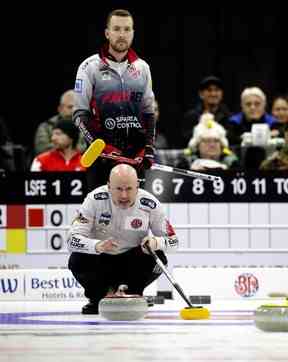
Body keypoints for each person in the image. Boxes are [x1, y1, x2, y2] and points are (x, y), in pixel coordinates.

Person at [67, 163, 178, 314]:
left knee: (159, 257)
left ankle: (133, 293)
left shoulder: (150, 204)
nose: (124, 195)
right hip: (101, 261)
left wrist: (155, 242)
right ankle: (99, 297)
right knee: (77, 259)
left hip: (132, 263)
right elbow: (72, 241)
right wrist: (97, 246)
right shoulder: (94, 199)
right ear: (108, 186)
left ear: (137, 186)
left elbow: (174, 242)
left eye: (129, 189)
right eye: (118, 189)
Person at [72, 9, 156, 190]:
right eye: (116, 29)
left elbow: (149, 113)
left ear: (133, 33)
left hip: (135, 158)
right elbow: (79, 115)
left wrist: (148, 148)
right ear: (107, 33)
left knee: (136, 215)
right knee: (100, 216)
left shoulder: (143, 68)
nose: (122, 34)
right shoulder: (89, 67)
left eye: (127, 29)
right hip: (102, 158)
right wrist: (101, 146)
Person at [34, 89, 87, 155]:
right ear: (60, 109)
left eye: (77, 107)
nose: (74, 110)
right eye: (70, 107)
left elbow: (89, 150)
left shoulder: (85, 126)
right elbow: (41, 149)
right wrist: (67, 146)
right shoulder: (46, 126)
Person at [182, 75, 231, 147]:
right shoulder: (191, 116)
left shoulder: (229, 117)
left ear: (221, 94)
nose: (213, 94)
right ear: (201, 94)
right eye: (209, 90)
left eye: (217, 90)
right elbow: (185, 141)